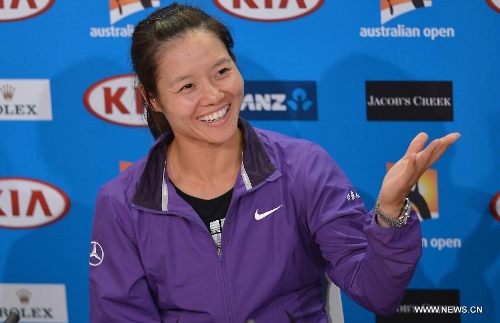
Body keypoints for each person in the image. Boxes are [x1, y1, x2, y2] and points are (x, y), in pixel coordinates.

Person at [88, 3, 460, 322]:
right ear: (152, 99)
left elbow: (376, 293)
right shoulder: (122, 202)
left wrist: (390, 211)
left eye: (222, 72)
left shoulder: (303, 168)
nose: (214, 96)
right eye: (187, 86)